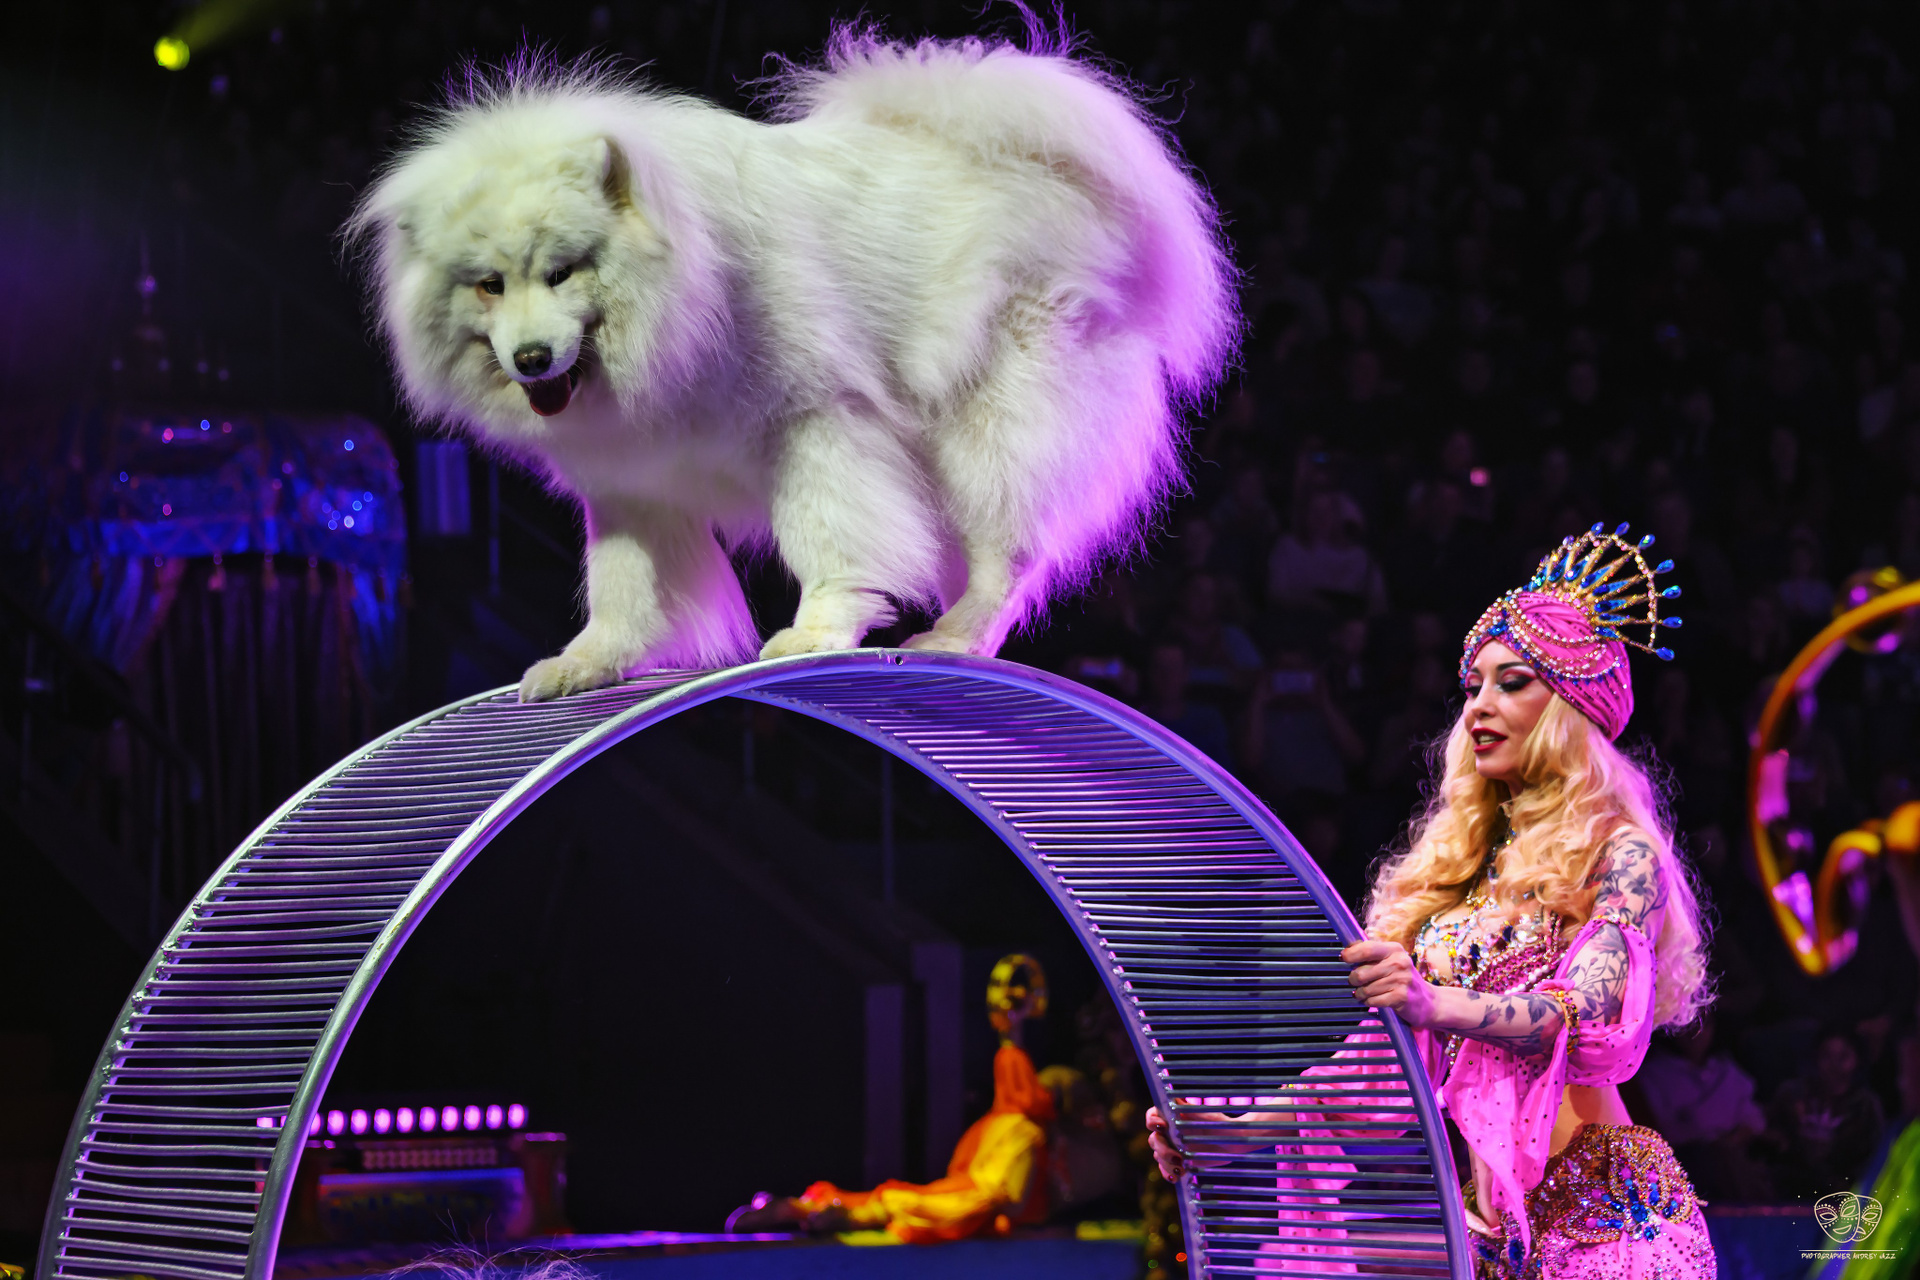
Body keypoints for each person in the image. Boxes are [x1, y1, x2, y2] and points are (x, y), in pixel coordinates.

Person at [1146, 523, 1717, 1280]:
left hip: (1608, 1221)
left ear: (1569, 707)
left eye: (1512, 682)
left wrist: (1431, 1001)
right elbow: (1375, 1069)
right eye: (1473, 686)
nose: (1478, 706)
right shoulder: (1461, 871)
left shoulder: (1621, 854)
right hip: (1493, 1235)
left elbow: (1580, 1016)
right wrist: (1234, 1134)